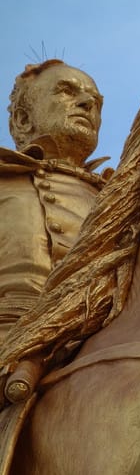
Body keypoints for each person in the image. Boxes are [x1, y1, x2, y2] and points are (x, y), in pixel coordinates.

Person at [0, 60, 106, 339]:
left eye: (95, 100)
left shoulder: (120, 199)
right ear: (23, 119)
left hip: (101, 343)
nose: (87, 103)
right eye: (67, 91)